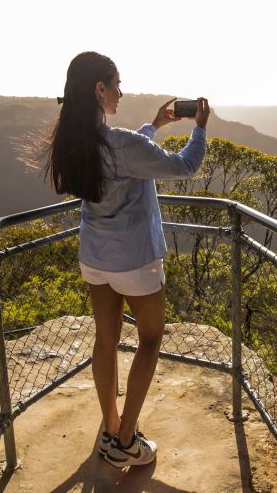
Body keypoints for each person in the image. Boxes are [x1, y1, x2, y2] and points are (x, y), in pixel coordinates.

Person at [45, 51, 210, 468]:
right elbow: (185, 166)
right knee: (151, 339)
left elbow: (126, 151)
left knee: (106, 341)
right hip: (135, 262)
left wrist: (154, 125)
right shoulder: (121, 145)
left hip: (95, 259)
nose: (122, 90)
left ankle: (110, 428)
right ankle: (125, 439)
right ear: (100, 89)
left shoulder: (75, 143)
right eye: (117, 83)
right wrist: (200, 130)